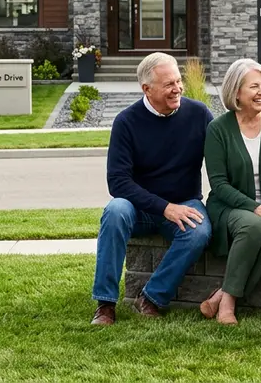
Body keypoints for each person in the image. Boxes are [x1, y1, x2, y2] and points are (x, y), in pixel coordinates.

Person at [90, 52, 215, 326]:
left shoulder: (199, 114)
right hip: (141, 209)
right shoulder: (126, 122)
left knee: (200, 231)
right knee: (115, 211)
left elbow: (224, 154)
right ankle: (105, 304)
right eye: (169, 84)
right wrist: (164, 208)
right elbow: (118, 183)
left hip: (184, 203)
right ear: (147, 88)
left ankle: (152, 298)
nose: (178, 88)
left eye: (179, 81)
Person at [198, 58, 261, 325]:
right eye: (254, 86)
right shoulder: (218, 129)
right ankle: (228, 305)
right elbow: (218, 183)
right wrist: (256, 208)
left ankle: (223, 295)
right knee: (253, 225)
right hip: (231, 207)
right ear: (236, 93)